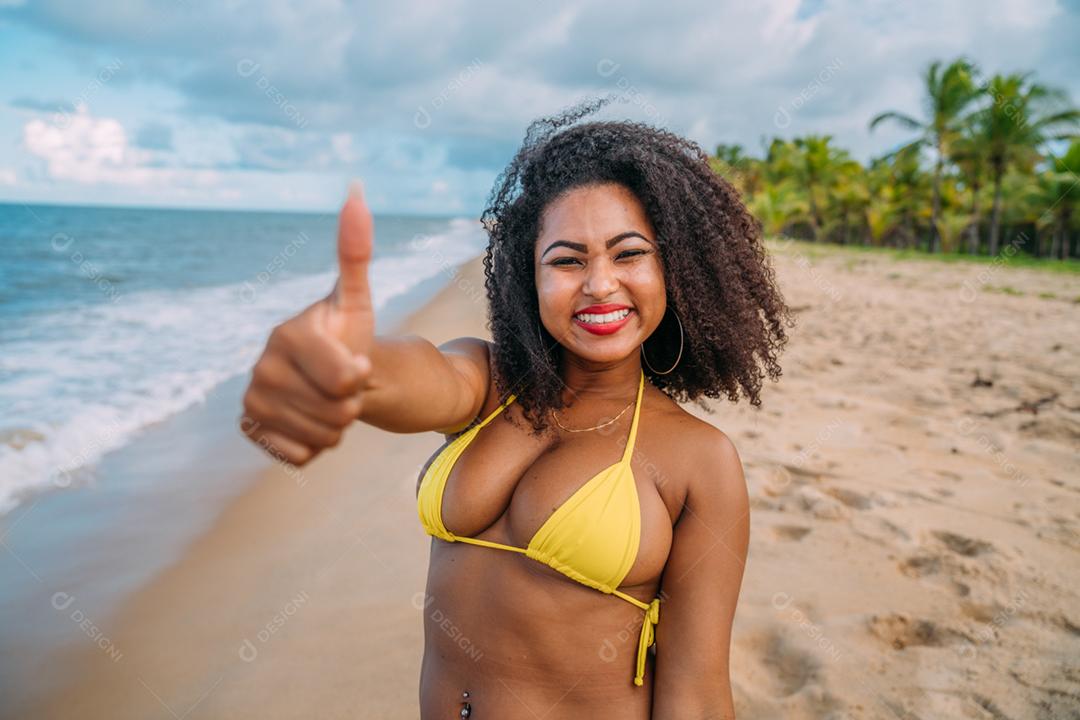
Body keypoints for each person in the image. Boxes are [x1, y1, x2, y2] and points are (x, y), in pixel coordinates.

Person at [240, 98, 792, 719]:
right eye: (567, 259)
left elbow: (695, 690)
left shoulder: (698, 459)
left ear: (676, 269)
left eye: (628, 253)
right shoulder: (487, 380)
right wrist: (355, 361)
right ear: (528, 278)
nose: (599, 284)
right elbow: (422, 377)